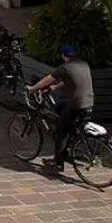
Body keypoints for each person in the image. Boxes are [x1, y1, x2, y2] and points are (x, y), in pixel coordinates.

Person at [28, 44, 95, 173]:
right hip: (89, 102)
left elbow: (47, 79)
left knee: (61, 131)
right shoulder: (83, 64)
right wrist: (55, 88)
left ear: (63, 56)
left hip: (76, 105)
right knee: (59, 106)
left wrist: (33, 89)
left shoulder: (65, 67)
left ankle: (58, 163)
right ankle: (69, 147)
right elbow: (70, 80)